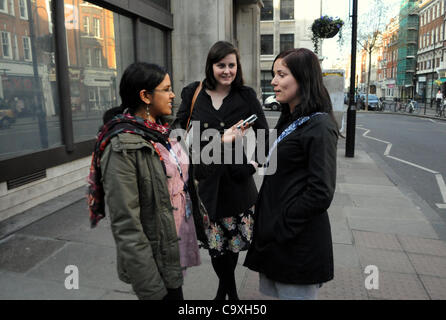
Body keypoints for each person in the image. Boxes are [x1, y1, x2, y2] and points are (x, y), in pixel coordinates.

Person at [87, 62, 218, 300]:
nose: (172, 95)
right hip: (154, 260)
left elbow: (185, 176)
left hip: (173, 242)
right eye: (166, 89)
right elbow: (127, 226)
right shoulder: (122, 148)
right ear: (145, 96)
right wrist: (151, 290)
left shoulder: (161, 130)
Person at [244, 48, 339, 300]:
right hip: (279, 239)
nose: (273, 81)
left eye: (281, 74)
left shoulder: (319, 126)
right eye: (274, 74)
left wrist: (281, 224)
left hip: (297, 241)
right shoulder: (290, 118)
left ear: (303, 78)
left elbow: (321, 191)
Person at [177, 41, 269, 300]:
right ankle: (231, 296)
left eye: (231, 65)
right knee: (215, 246)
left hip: (237, 183)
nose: (227, 70)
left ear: (237, 67)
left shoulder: (246, 95)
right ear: (211, 66)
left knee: (233, 244)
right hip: (204, 181)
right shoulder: (193, 93)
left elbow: (263, 133)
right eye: (221, 65)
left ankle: (222, 295)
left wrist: (253, 165)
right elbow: (179, 130)